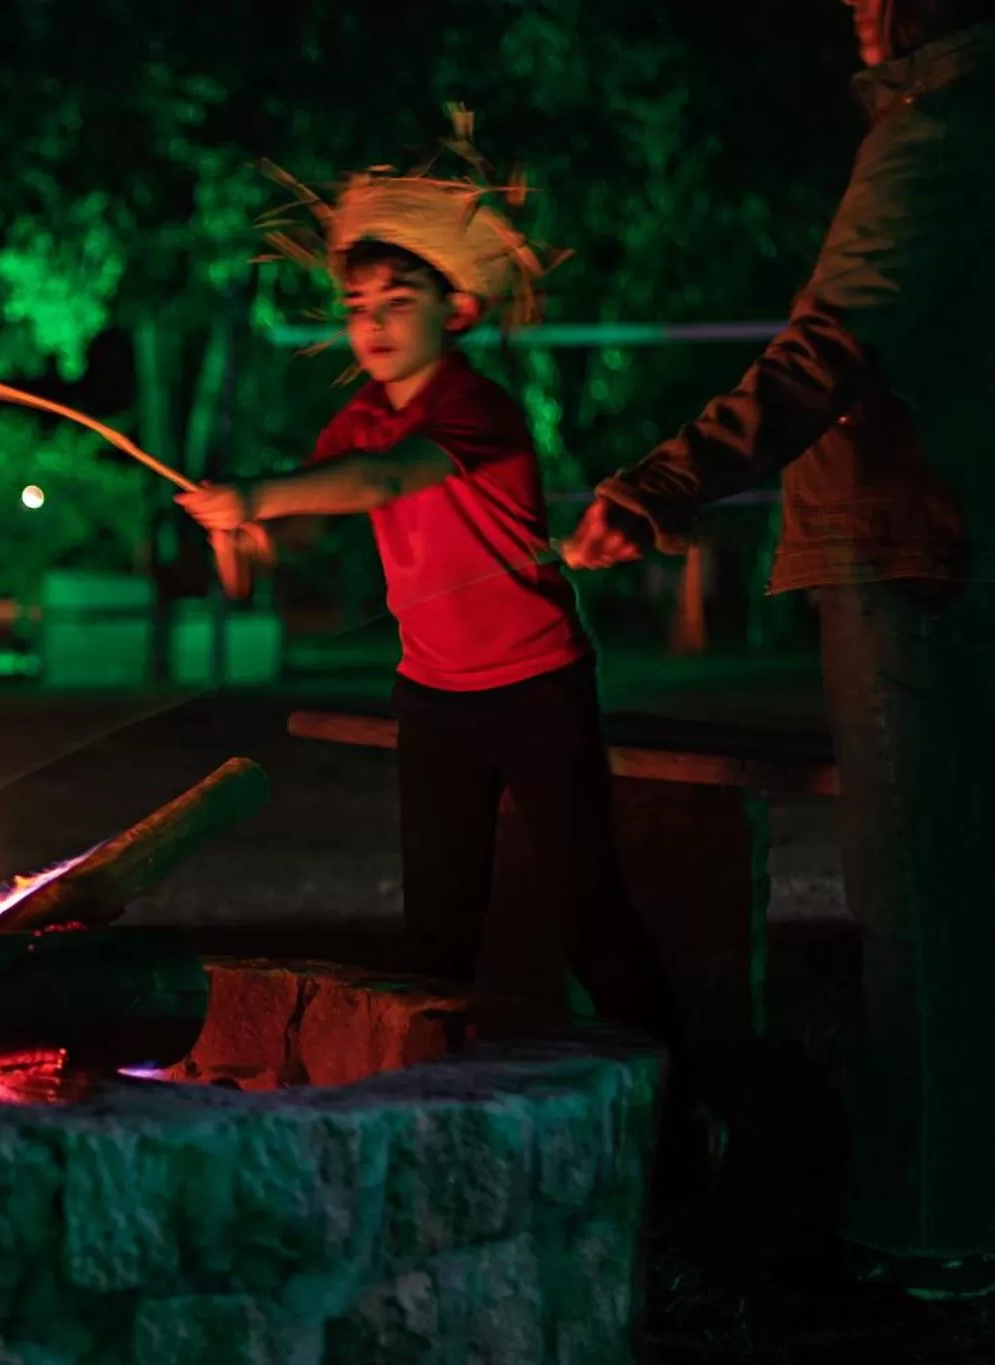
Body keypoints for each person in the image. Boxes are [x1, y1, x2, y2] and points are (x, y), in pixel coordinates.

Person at [182, 111, 716, 1189]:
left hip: (534, 688)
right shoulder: (353, 426)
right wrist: (243, 540)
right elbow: (304, 525)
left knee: (587, 912)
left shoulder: (476, 409)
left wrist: (260, 495)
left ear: (456, 308)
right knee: (434, 927)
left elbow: (387, 483)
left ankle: (681, 1120)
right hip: (431, 696)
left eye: (397, 303)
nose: (370, 325)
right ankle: (439, 1134)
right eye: (356, 308)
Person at [563, 0, 995, 1297]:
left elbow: (828, 349)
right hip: (958, 533)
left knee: (919, 902)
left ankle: (932, 1224)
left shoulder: (939, 133)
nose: (854, 16)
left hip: (907, 545)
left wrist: (657, 487)